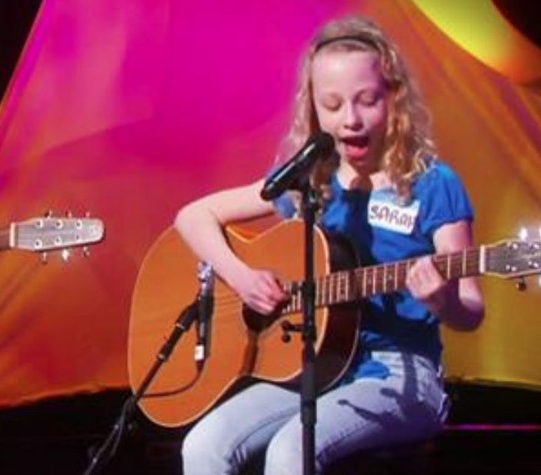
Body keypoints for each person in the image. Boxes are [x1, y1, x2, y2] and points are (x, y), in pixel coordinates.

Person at [175, 16, 484, 475]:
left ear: (394, 99)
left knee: (289, 453)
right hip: (316, 366)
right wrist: (242, 279)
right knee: (203, 446)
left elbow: (470, 310)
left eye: (367, 101)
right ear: (314, 109)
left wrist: (441, 299)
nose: (351, 119)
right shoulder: (310, 181)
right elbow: (192, 217)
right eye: (333, 105)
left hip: (402, 374)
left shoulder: (433, 184)